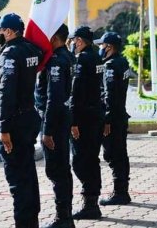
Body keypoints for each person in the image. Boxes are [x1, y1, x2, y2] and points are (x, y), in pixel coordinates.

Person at [0, 13, 43, 228]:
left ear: (9, 32)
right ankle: (31, 221)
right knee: (28, 173)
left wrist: (4, 128)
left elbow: (6, 92)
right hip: (28, 117)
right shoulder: (31, 50)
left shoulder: (10, 55)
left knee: (18, 179)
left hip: (14, 122)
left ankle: (24, 223)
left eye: (0, 31)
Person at [35, 24, 75, 228]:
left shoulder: (57, 61)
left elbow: (54, 98)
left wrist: (47, 130)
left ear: (55, 37)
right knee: (63, 169)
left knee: (57, 170)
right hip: (63, 117)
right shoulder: (69, 57)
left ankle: (63, 218)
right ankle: (66, 215)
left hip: (55, 121)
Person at [68, 26, 105, 220]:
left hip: (83, 119)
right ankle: (92, 201)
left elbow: (76, 92)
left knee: (81, 161)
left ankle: (89, 203)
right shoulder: (98, 57)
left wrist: (72, 121)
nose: (73, 44)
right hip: (96, 115)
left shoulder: (82, 60)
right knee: (92, 159)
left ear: (80, 41)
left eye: (74, 41)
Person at [95, 32, 132, 206]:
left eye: (102, 45)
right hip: (120, 114)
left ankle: (120, 193)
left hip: (113, 117)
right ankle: (122, 190)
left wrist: (107, 120)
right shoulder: (122, 61)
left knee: (114, 155)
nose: (100, 48)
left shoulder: (109, 66)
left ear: (109, 47)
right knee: (121, 154)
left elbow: (109, 95)